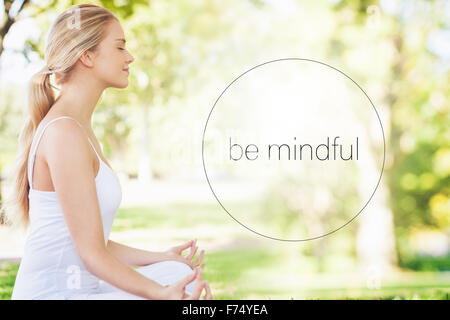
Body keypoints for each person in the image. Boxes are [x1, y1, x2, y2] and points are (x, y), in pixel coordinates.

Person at [1, 4, 213, 300]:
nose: (130, 57)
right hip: (54, 294)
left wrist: (161, 256)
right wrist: (160, 294)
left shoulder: (79, 128)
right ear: (86, 56)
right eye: (120, 47)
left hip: (80, 288)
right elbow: (91, 255)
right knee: (174, 290)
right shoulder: (64, 133)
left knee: (179, 273)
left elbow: (92, 243)